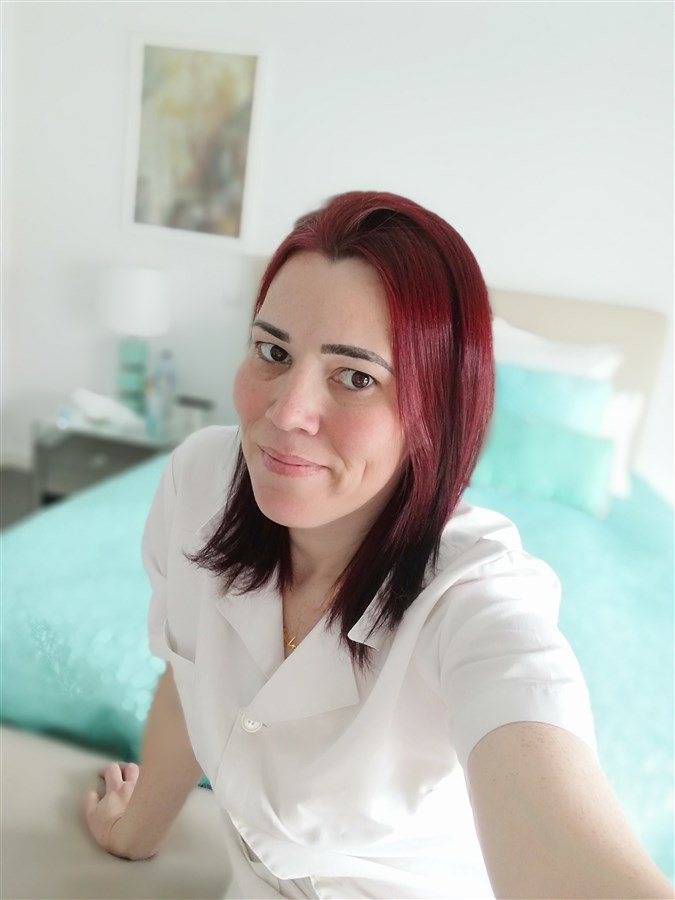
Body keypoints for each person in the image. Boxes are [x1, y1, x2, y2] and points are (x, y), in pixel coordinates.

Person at [84, 191, 673, 899]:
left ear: (436, 411)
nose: (287, 413)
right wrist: (135, 830)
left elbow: (535, 750)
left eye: (357, 377)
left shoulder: (475, 598)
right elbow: (189, 673)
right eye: (273, 352)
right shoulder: (201, 479)